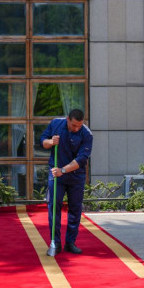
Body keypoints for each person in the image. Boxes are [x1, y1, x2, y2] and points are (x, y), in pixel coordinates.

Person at [40, 108, 93, 255]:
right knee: (54, 207)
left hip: (75, 176)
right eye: (74, 125)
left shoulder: (87, 134)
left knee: (75, 209)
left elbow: (81, 159)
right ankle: (55, 242)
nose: (77, 128)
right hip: (56, 174)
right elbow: (43, 141)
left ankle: (70, 242)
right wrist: (51, 141)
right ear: (68, 119)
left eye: (80, 125)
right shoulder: (56, 124)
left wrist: (62, 170)